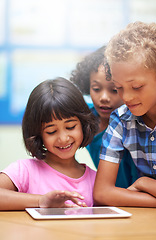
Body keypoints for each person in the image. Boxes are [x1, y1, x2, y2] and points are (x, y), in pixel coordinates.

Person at [93, 21, 156, 209]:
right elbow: (102, 193)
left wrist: (145, 184)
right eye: (119, 88)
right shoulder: (120, 119)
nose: (127, 97)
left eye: (137, 87)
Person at [0, 77, 99, 210]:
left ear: (83, 124)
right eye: (51, 131)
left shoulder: (96, 180)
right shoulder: (24, 171)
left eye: (70, 127)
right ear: (38, 133)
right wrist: (41, 201)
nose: (63, 139)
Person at [70, 46, 138, 188]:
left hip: (136, 198)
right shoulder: (84, 117)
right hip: (108, 198)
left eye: (114, 90)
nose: (104, 98)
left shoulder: (135, 123)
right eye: (96, 89)